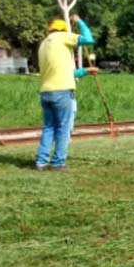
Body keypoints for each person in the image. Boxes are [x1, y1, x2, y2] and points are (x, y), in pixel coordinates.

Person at [35, 17, 95, 170]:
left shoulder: (43, 44)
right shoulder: (63, 37)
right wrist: (80, 21)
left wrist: (86, 71)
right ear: (63, 30)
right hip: (62, 91)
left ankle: (41, 162)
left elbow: (66, 71)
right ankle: (58, 163)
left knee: (49, 127)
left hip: (46, 91)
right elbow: (89, 39)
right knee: (63, 127)